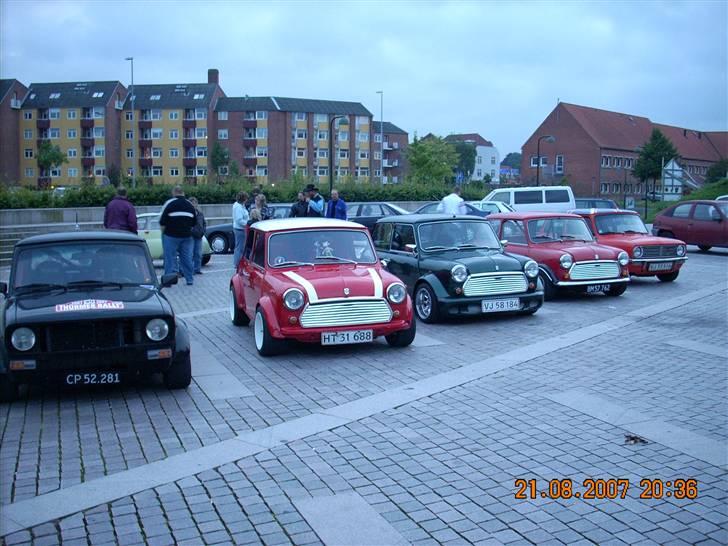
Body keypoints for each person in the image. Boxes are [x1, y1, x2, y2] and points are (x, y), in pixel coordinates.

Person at [159, 186, 196, 286]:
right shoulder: (190, 205)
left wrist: (164, 233)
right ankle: (189, 279)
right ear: (183, 193)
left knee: (170, 258)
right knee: (187, 258)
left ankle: (168, 281)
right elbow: (194, 222)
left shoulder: (170, 203)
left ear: (174, 192)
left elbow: (162, 221)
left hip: (171, 236)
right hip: (187, 236)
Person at [189, 197, 207, 275]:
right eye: (192, 203)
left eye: (195, 203)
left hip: (199, 236)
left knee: (198, 254)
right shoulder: (188, 214)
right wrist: (192, 230)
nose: (194, 205)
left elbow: (204, 223)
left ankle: (197, 269)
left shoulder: (200, 213)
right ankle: (190, 270)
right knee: (190, 254)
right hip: (191, 236)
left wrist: (203, 231)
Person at [232, 191, 249, 268]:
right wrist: (247, 224)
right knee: (240, 248)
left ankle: (238, 262)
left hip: (240, 229)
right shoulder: (238, 207)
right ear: (244, 198)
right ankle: (237, 263)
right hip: (240, 229)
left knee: (239, 247)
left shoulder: (240, 205)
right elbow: (239, 220)